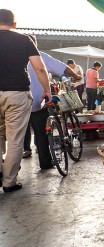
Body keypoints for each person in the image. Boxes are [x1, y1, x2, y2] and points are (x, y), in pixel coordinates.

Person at [0, 9, 51, 192]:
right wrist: (47, 90)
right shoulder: (23, 39)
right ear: (14, 24)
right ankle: (9, 182)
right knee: (15, 140)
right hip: (17, 94)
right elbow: (39, 68)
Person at [22, 35, 80, 165]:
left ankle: (10, 172)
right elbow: (61, 67)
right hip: (38, 101)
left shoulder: (13, 54)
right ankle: (45, 161)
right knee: (41, 133)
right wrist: (76, 76)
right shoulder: (39, 55)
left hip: (18, 102)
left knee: (15, 137)